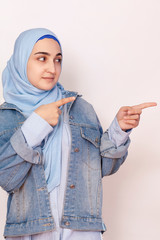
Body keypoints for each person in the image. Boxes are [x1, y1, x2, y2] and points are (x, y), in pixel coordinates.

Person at [0, 28, 156, 240]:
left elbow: (100, 169)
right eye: (42, 58)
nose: (51, 68)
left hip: (81, 229)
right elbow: (6, 178)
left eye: (57, 60)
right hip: (29, 230)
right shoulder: (6, 117)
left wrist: (119, 129)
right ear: (21, 60)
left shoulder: (80, 108)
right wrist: (35, 126)